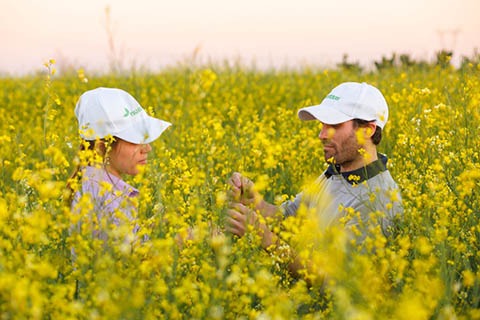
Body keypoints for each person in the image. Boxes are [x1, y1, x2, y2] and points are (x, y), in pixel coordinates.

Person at [226, 81, 403, 276]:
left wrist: (265, 239)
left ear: (367, 130)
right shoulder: (336, 172)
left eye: (334, 125)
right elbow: (290, 218)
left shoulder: (378, 202)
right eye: (322, 125)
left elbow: (338, 283)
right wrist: (256, 203)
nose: (322, 135)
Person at [67, 87, 171, 238]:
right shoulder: (106, 200)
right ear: (102, 148)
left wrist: (157, 228)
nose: (147, 148)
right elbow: (128, 257)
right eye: (136, 141)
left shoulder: (92, 186)